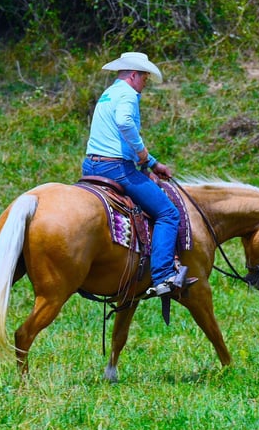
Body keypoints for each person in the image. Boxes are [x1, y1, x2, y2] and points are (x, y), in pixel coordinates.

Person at [82, 51, 194, 297]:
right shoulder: (128, 95)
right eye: (145, 78)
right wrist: (142, 151)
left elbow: (116, 137)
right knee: (168, 213)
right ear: (134, 75)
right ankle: (164, 274)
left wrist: (152, 163)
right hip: (116, 169)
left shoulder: (109, 93)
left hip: (91, 166)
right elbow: (124, 123)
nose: (145, 84)